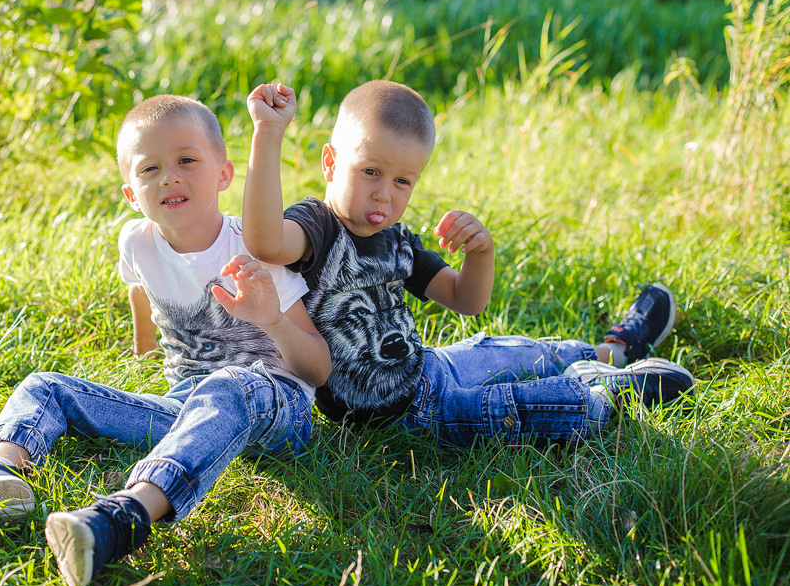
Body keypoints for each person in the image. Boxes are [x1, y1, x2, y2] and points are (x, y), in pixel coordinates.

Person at [0, 94, 331, 586]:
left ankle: (123, 517)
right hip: (185, 408)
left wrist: (272, 321)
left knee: (231, 385)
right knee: (45, 387)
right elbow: (140, 287)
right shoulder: (137, 241)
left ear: (223, 174)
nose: (170, 177)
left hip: (272, 410)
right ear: (132, 193)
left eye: (186, 161)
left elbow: (317, 370)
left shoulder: (255, 252)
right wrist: (144, 347)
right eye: (150, 168)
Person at [240, 79, 694, 445]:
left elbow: (465, 299)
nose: (384, 193)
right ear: (331, 163)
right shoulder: (317, 228)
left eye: (403, 181)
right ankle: (606, 393)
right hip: (405, 416)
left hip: (430, 369)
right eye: (370, 171)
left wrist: (482, 253)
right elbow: (264, 242)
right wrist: (269, 133)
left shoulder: (396, 240)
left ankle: (612, 351)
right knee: (512, 409)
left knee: (509, 351)